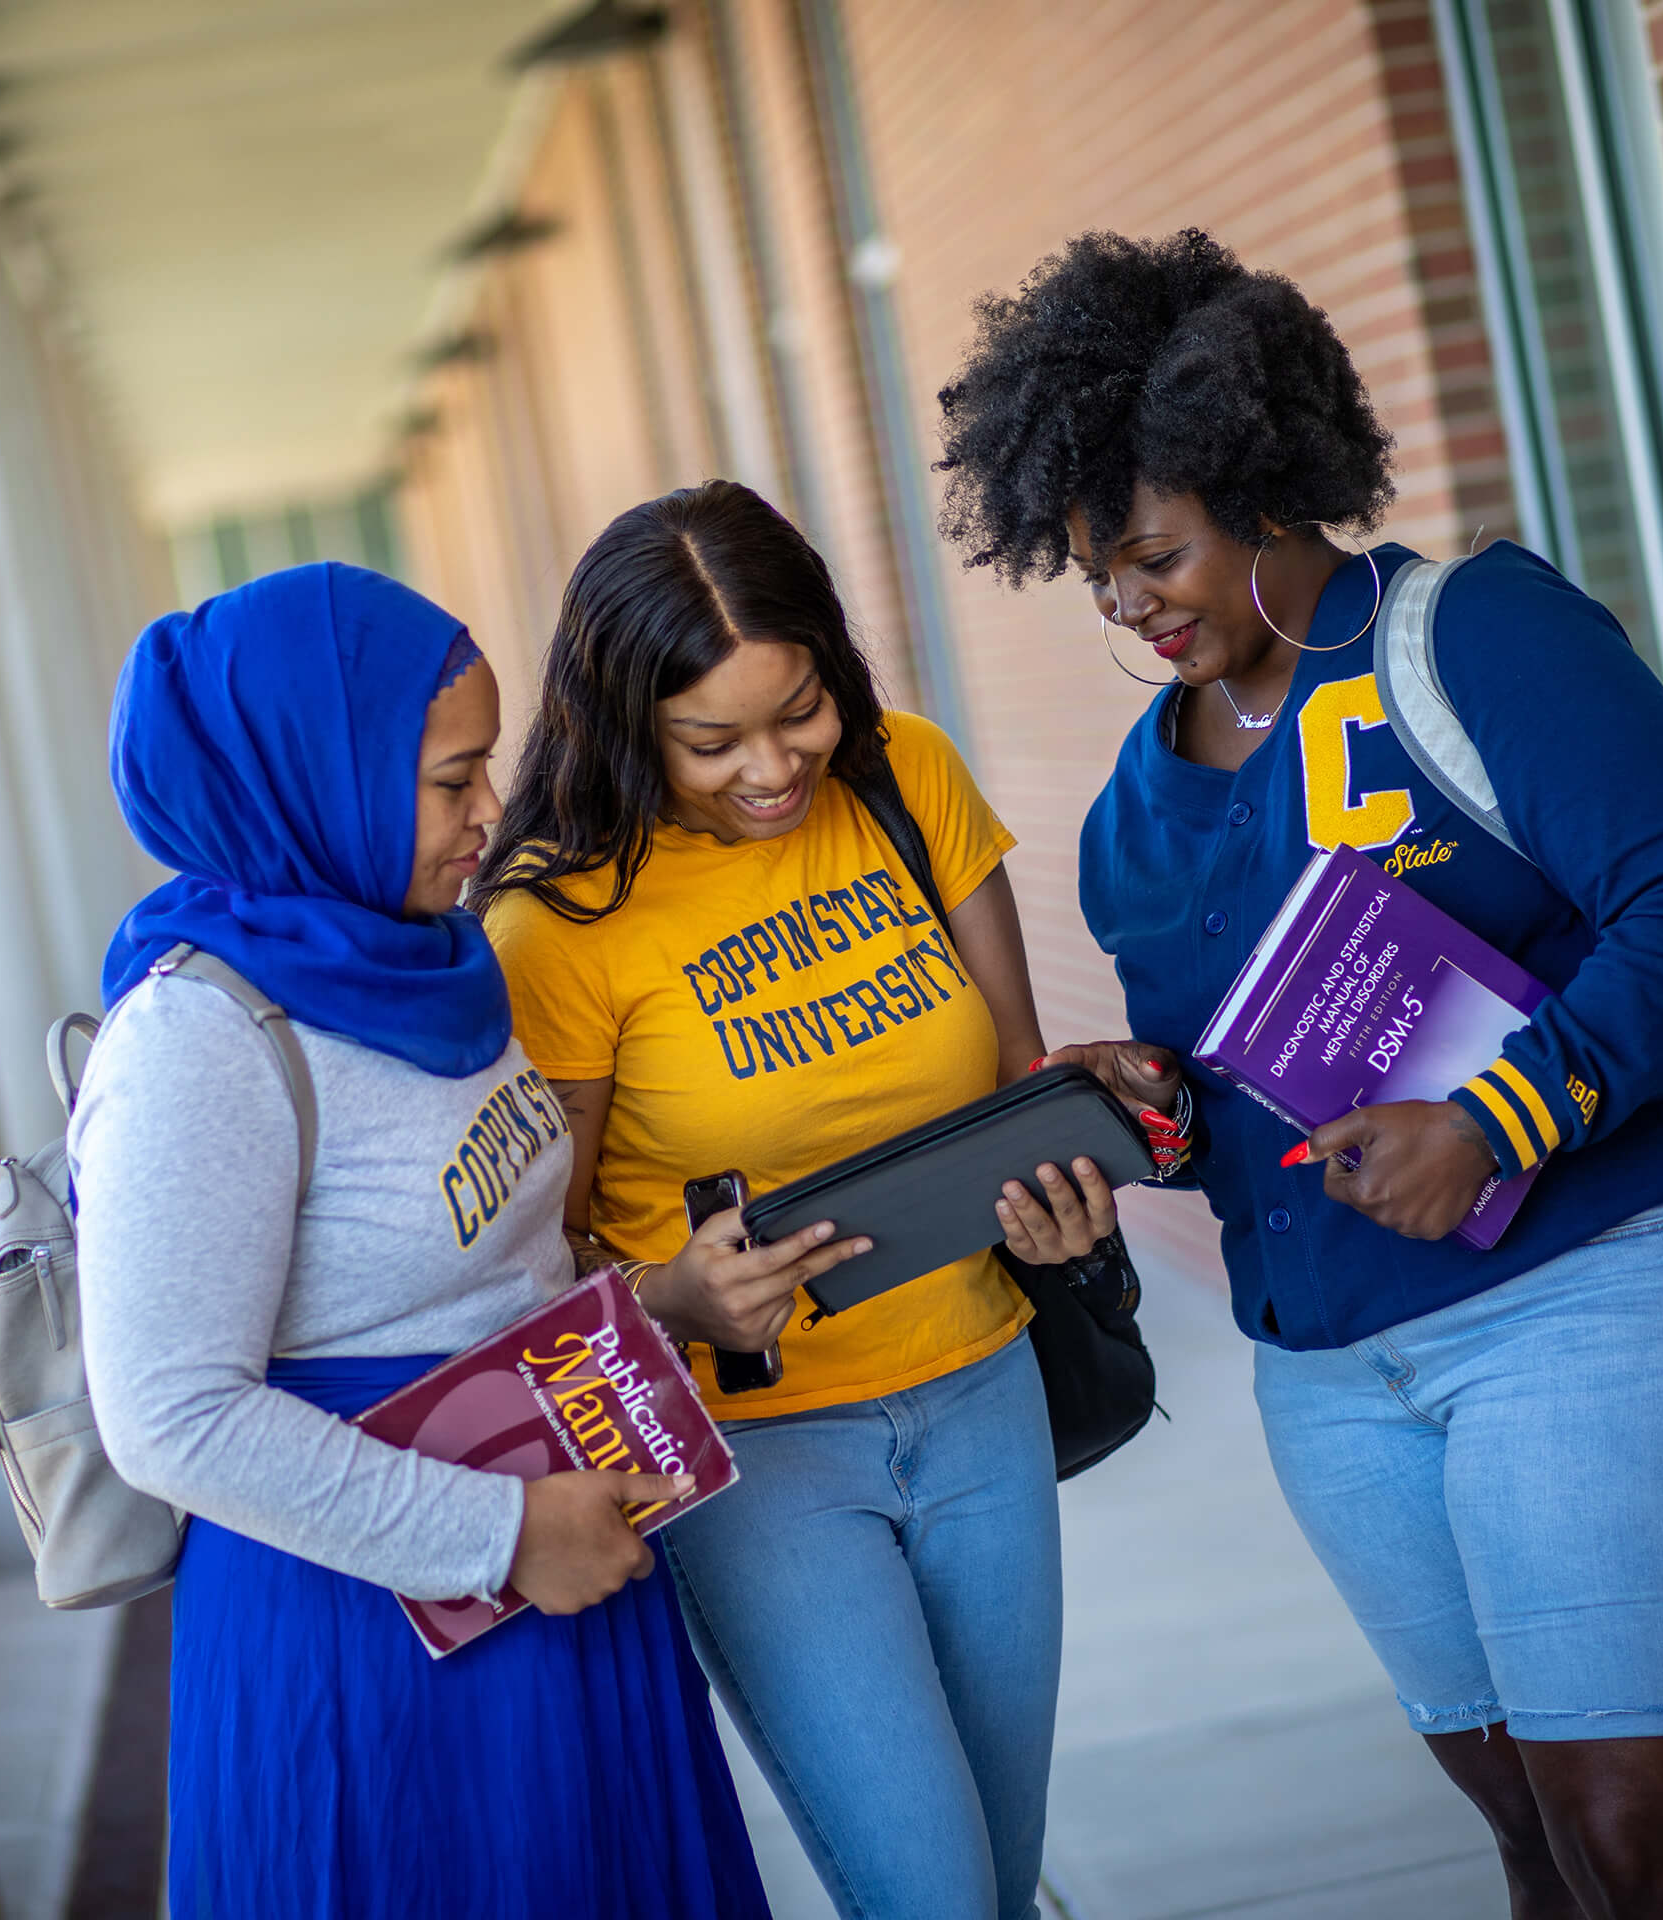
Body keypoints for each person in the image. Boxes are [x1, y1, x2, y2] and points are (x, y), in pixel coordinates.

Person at [933, 230, 1663, 1920]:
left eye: (1153, 553)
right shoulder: (1137, 802)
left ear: (1259, 483)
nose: (1127, 603)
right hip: (1340, 1378)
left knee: (1652, 1855)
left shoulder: (1472, 635)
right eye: (1094, 573)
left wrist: (1502, 1119)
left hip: (1605, 1291)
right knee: (1544, 1854)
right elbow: (1240, 1098)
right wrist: (1144, 1116)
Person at [72, 562, 771, 1920]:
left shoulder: (431, 960)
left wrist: (663, 1300)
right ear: (314, 780)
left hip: (556, 1569)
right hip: (372, 1635)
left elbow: (489, 1268)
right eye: (453, 780)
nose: (490, 812)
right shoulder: (197, 1041)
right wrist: (500, 1532)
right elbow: (165, 1416)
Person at [477, 481, 1118, 1920]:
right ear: (625, 724)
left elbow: (1015, 1078)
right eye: (712, 742)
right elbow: (532, 1265)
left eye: (800, 713)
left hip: (984, 1394)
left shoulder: (909, 778)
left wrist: (1072, 1171)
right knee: (935, 1896)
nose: (773, 770)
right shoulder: (557, 921)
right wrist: (674, 1298)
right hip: (758, 1462)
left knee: (1000, 1885)